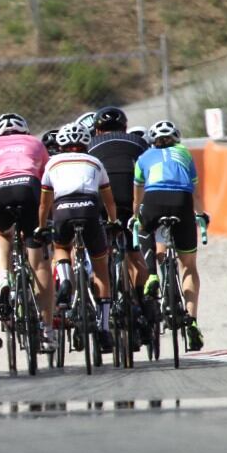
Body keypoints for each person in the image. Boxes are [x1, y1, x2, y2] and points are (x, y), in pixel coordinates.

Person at [0, 112, 55, 352]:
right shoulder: (35, 143)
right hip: (29, 189)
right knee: (39, 264)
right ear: (24, 131)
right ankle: (48, 332)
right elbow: (48, 183)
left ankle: (5, 277)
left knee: (2, 232)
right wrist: (46, 221)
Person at [36, 120, 119, 352]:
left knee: (61, 248)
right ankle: (103, 329)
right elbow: (109, 200)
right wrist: (114, 222)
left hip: (63, 210)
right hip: (90, 209)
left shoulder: (52, 164)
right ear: (85, 142)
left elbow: (44, 204)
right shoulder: (95, 161)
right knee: (101, 269)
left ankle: (65, 281)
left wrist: (41, 227)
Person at [133, 120, 207, 351]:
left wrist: (137, 216)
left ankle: (153, 275)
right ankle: (192, 320)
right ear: (177, 138)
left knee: (144, 229)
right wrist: (201, 214)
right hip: (181, 202)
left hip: (154, 200)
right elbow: (194, 190)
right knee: (189, 266)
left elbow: (138, 195)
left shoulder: (143, 158)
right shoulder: (184, 153)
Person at [88, 105, 150, 344]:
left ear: (97, 129)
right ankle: (146, 308)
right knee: (135, 256)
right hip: (131, 198)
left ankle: (103, 305)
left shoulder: (91, 145)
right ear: (125, 127)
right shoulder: (137, 142)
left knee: (100, 258)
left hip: (104, 201)